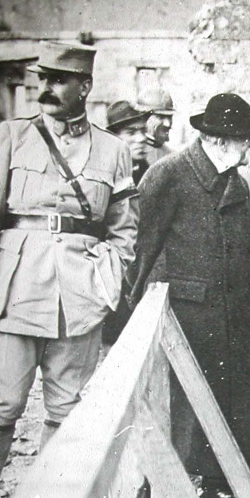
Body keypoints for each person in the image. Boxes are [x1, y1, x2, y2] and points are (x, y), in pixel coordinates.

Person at [0, 41, 139, 498]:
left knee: (66, 408)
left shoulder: (114, 149)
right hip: (16, 286)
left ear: (84, 87)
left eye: (58, 80)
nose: (45, 88)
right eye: (42, 78)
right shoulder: (13, 135)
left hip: (79, 296)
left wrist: (108, 277)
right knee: (3, 405)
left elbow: (124, 227)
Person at [127, 93, 250, 498]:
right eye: (247, 139)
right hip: (186, 316)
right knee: (182, 404)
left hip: (233, 314)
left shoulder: (236, 183)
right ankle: (170, 487)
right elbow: (143, 249)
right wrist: (139, 318)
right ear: (221, 141)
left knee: (229, 397)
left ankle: (219, 480)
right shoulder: (167, 175)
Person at [101, 100, 151, 347]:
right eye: (132, 132)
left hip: (143, 278)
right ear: (114, 138)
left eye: (143, 130)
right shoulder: (101, 177)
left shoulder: (151, 175)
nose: (141, 138)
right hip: (111, 277)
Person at [136, 87, 177, 162]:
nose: (167, 124)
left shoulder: (173, 156)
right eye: (161, 117)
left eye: (169, 117)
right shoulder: (135, 154)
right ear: (143, 117)